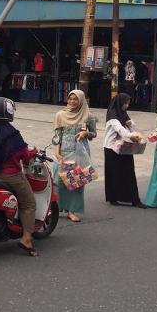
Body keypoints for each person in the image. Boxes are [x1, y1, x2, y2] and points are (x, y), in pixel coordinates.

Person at [0, 97, 39, 257]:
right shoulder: (13, 134)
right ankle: (27, 238)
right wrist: (32, 153)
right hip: (10, 176)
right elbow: (24, 156)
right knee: (28, 203)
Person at [52, 89, 97, 223]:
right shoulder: (60, 114)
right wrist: (56, 152)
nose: (72, 101)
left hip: (79, 153)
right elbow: (56, 135)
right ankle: (54, 208)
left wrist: (86, 134)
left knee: (75, 182)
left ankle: (71, 211)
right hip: (63, 153)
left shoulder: (88, 116)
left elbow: (94, 134)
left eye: (75, 99)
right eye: (70, 98)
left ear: (81, 100)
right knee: (58, 181)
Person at [103, 93, 145, 208]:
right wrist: (130, 135)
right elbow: (120, 129)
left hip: (124, 146)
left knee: (128, 172)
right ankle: (113, 197)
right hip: (111, 148)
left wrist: (131, 123)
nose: (127, 105)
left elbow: (131, 126)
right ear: (119, 103)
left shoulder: (123, 114)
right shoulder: (112, 115)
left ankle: (134, 199)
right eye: (125, 103)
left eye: (128, 103)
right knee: (113, 174)